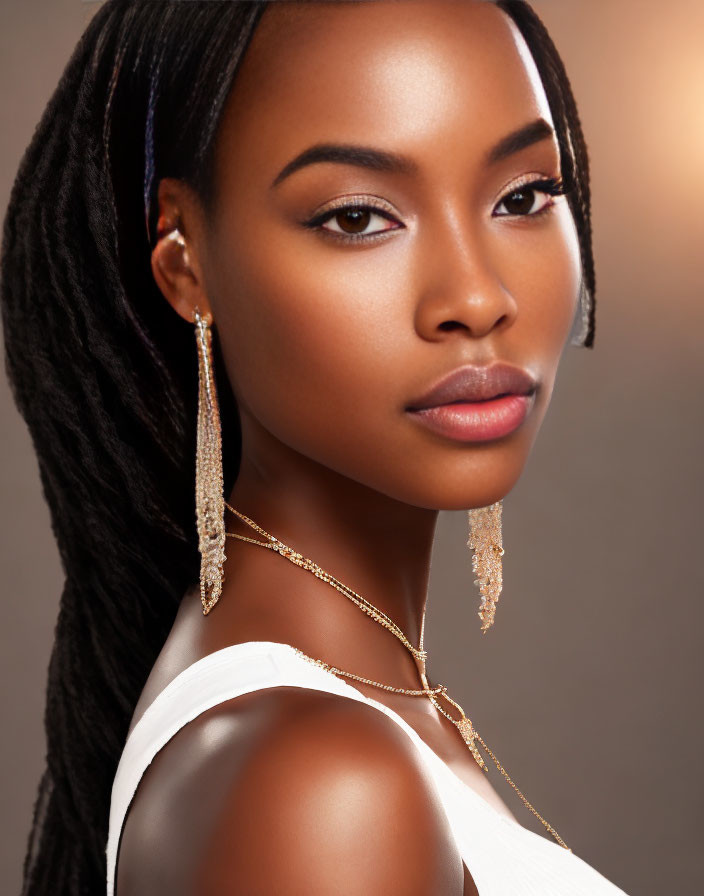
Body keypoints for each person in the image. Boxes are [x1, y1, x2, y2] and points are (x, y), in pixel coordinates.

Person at [0, 0, 629, 893]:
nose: (478, 297)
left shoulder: (336, 721)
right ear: (185, 263)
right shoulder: (312, 784)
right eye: (357, 218)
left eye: (521, 197)